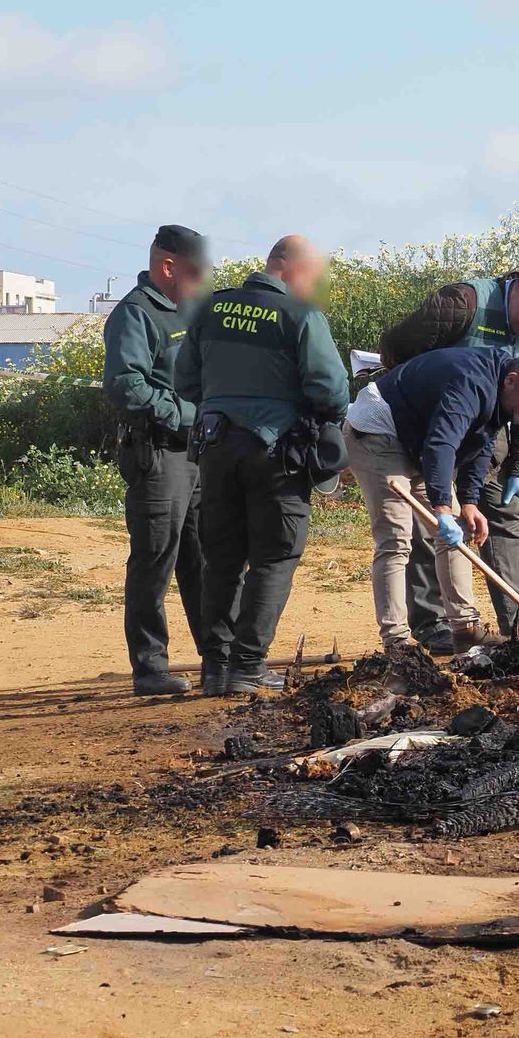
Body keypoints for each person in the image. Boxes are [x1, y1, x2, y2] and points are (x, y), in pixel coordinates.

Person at [175, 235, 349, 695]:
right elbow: (331, 391)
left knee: (222, 557)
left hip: (214, 449)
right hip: (277, 454)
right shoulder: (300, 316)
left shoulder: (210, 310)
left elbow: (184, 381)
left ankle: (215, 668)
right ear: (291, 269)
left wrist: (224, 402)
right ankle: (248, 667)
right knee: (275, 555)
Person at [378, 264, 519, 643]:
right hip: (437, 433)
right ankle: (434, 625)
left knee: (502, 518)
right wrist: (425, 411)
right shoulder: (462, 302)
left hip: (487, 439)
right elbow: (396, 348)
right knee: (432, 523)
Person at [344, 349, 519, 654]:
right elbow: (442, 443)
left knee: (459, 530)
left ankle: (465, 629)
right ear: (512, 381)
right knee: (396, 538)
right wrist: (441, 508)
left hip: (413, 440)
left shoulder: (504, 392)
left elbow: (480, 443)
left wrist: (469, 502)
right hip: (377, 433)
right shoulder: (470, 384)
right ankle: (397, 643)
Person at [102, 225, 210, 696]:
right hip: (158, 452)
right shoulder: (135, 314)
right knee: (155, 560)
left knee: (206, 558)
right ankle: (150, 668)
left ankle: (221, 658)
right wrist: (187, 414)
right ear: (168, 267)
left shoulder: (187, 310)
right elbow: (127, 385)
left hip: (198, 454)